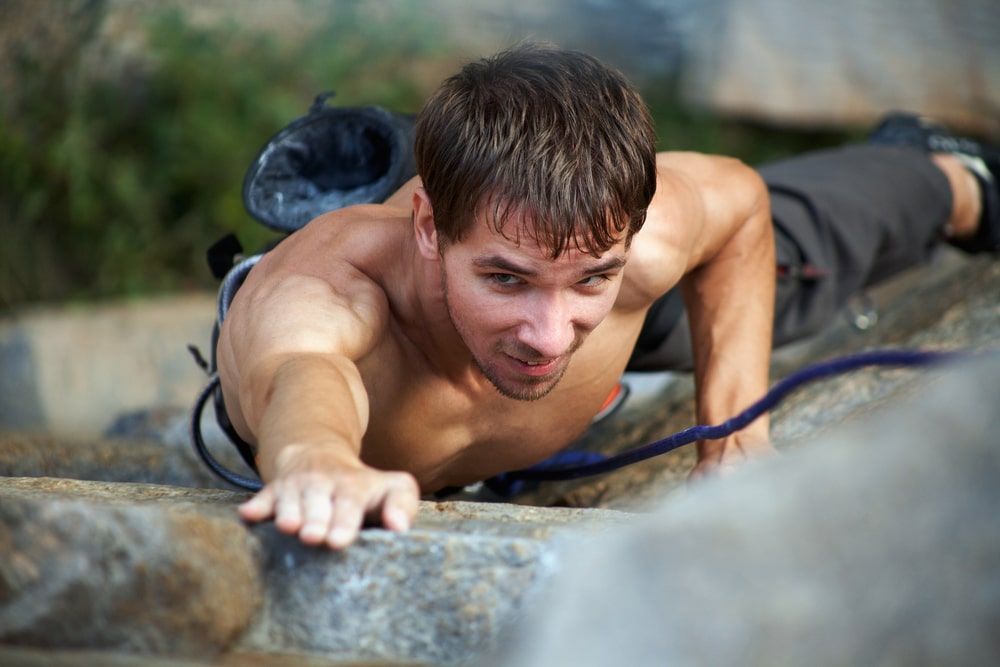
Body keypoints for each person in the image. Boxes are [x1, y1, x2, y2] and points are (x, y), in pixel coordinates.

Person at [217, 44, 998, 550]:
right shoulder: (330, 289)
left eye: (592, 276)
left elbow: (740, 203)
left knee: (794, 265)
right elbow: (303, 371)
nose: (553, 336)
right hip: (418, 279)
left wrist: (731, 436)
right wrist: (314, 457)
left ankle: (941, 171)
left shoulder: (644, 247)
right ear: (427, 227)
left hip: (609, 281)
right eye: (506, 278)